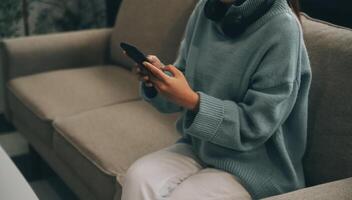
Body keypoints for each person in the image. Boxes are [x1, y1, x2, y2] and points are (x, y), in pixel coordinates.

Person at [122, 0, 312, 199]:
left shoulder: (283, 28)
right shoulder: (206, 8)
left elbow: (255, 126)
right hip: (201, 147)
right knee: (138, 177)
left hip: (256, 166)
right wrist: (159, 82)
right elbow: (184, 82)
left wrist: (193, 101)